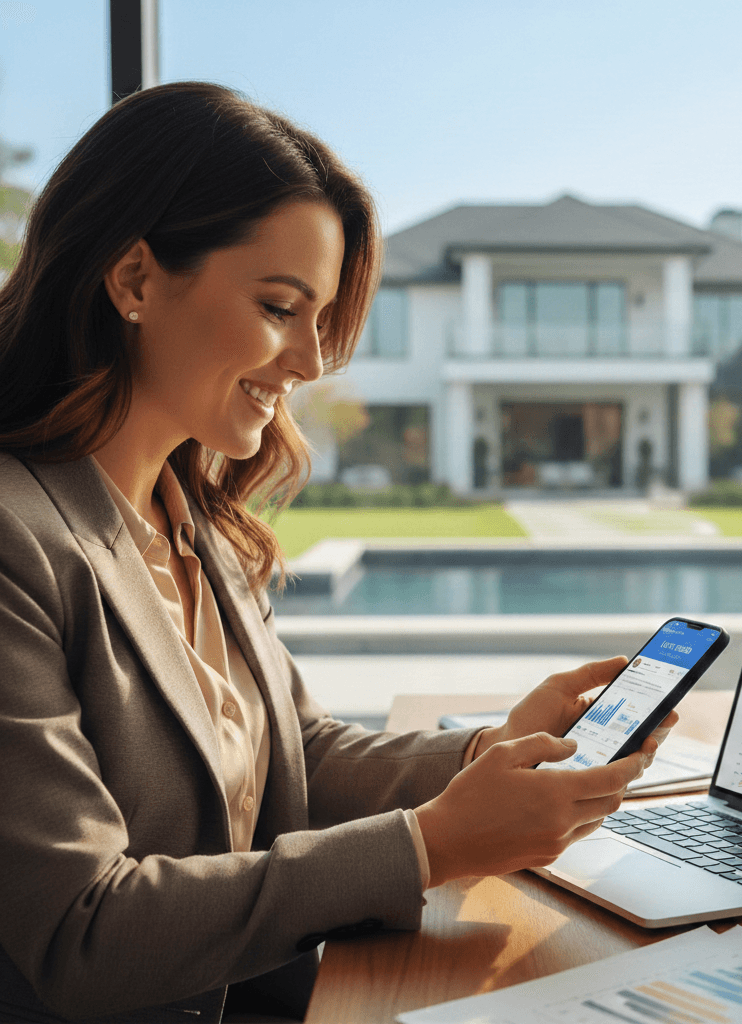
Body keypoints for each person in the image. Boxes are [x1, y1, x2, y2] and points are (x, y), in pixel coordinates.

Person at [0, 82, 676, 1024]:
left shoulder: (191, 516)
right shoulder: (15, 543)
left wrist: (487, 757)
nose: (313, 361)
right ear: (136, 280)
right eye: (282, 306)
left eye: (320, 317)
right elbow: (82, 933)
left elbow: (298, 757)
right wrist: (431, 845)